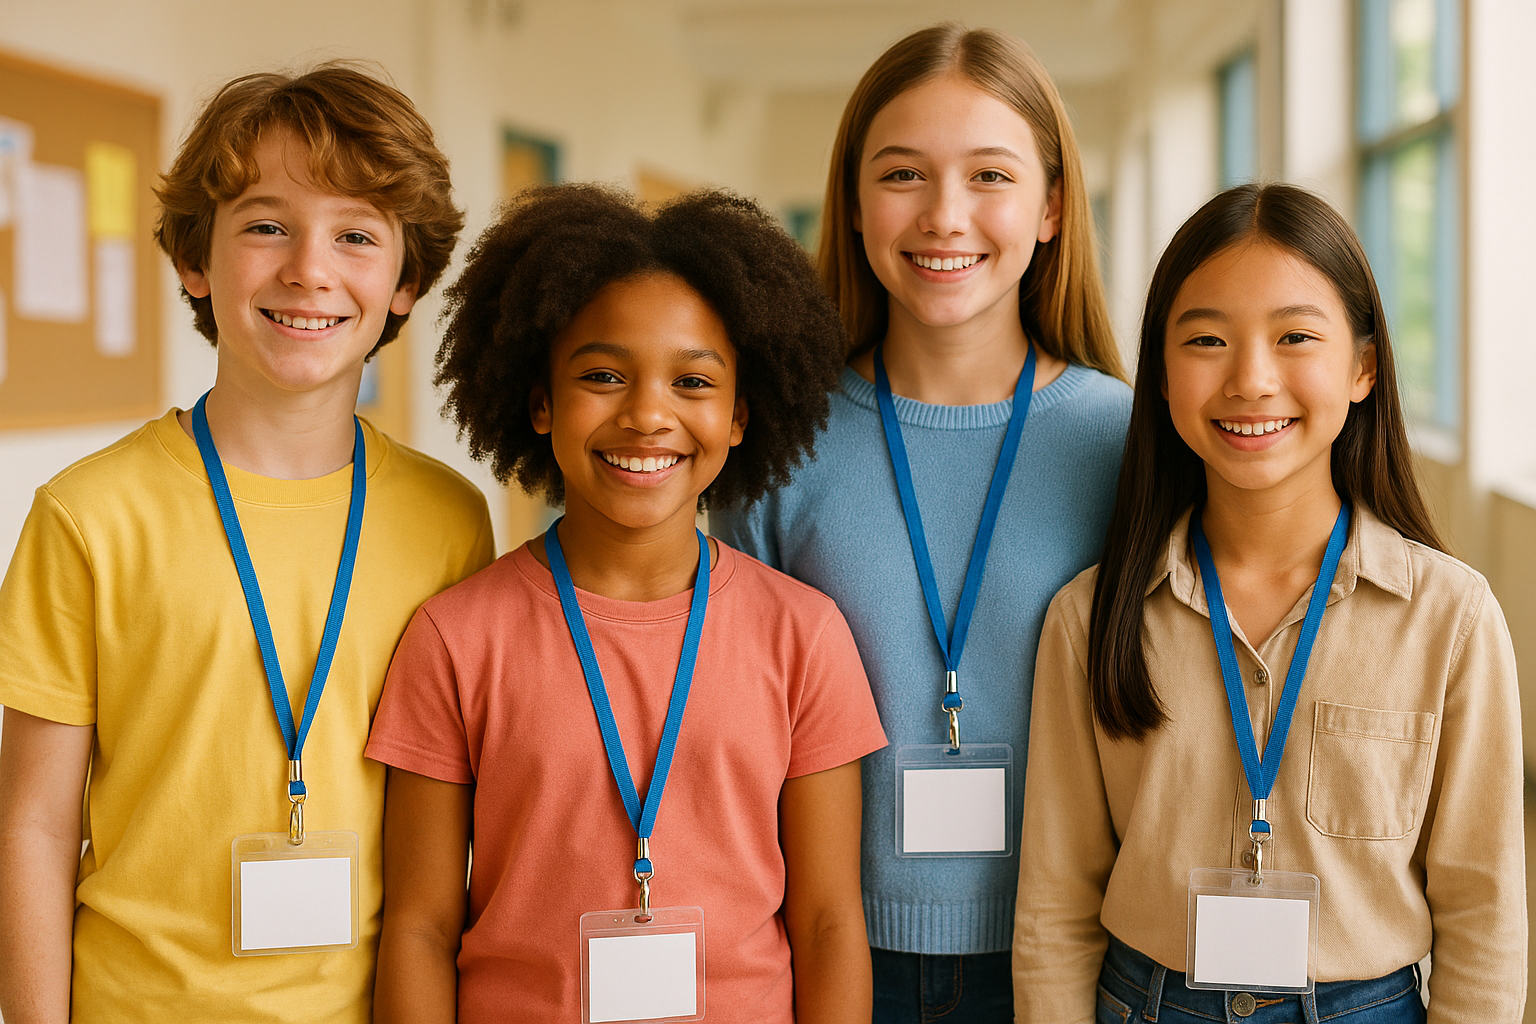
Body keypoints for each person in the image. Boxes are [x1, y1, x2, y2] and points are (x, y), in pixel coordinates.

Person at [0, 64, 494, 1023]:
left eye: (356, 235)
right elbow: (34, 826)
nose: (309, 268)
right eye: (266, 225)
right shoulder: (87, 515)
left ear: (406, 283)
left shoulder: (450, 520)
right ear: (195, 259)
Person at [365, 183, 888, 1024]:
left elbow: (827, 924)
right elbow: (421, 928)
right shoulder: (456, 637)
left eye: (692, 381)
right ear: (539, 401)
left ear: (742, 414)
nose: (648, 415)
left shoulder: (804, 636)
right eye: (603, 375)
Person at [1013, 183, 1525, 1023]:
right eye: (1207, 340)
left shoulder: (1450, 618)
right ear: (1164, 372)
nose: (1252, 380)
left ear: (1362, 367)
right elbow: (1056, 909)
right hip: (1146, 1003)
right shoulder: (1090, 617)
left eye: (1295, 337)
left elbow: (1484, 912)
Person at [711, 23, 1131, 1021]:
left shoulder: (1128, 440)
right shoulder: (778, 441)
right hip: (828, 942)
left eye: (990, 176)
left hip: (1072, 949)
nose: (945, 215)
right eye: (903, 174)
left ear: (1052, 207)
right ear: (854, 204)